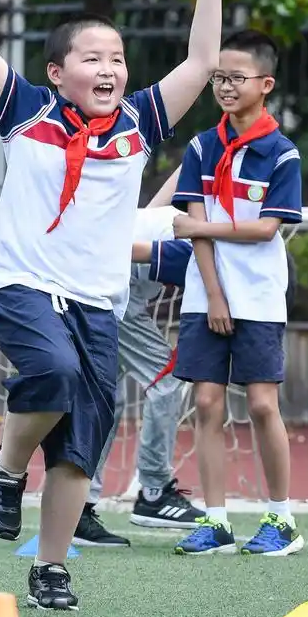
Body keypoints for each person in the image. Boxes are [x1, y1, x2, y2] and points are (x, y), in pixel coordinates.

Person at [0, 0, 227, 609]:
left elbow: (201, 63)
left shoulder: (137, 123)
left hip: (99, 301)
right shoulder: (26, 113)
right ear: (58, 71)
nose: (109, 69)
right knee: (54, 373)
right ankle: (5, 472)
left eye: (118, 59)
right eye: (93, 58)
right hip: (23, 286)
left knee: (81, 445)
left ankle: (52, 569)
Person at [169, 28, 305, 556]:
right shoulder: (203, 146)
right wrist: (215, 295)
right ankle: (217, 519)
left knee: (264, 405)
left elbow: (266, 228)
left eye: (236, 77)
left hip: (261, 296)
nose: (225, 86)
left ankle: (283, 518)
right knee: (205, 402)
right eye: (218, 77)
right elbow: (194, 225)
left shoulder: (282, 154)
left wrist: (201, 231)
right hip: (208, 295)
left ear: (265, 84)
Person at [74, 192, 206, 548]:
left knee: (105, 397)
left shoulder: (182, 219)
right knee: (168, 379)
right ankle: (154, 491)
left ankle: (78, 507)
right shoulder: (197, 247)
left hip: (104, 279)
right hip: (112, 288)